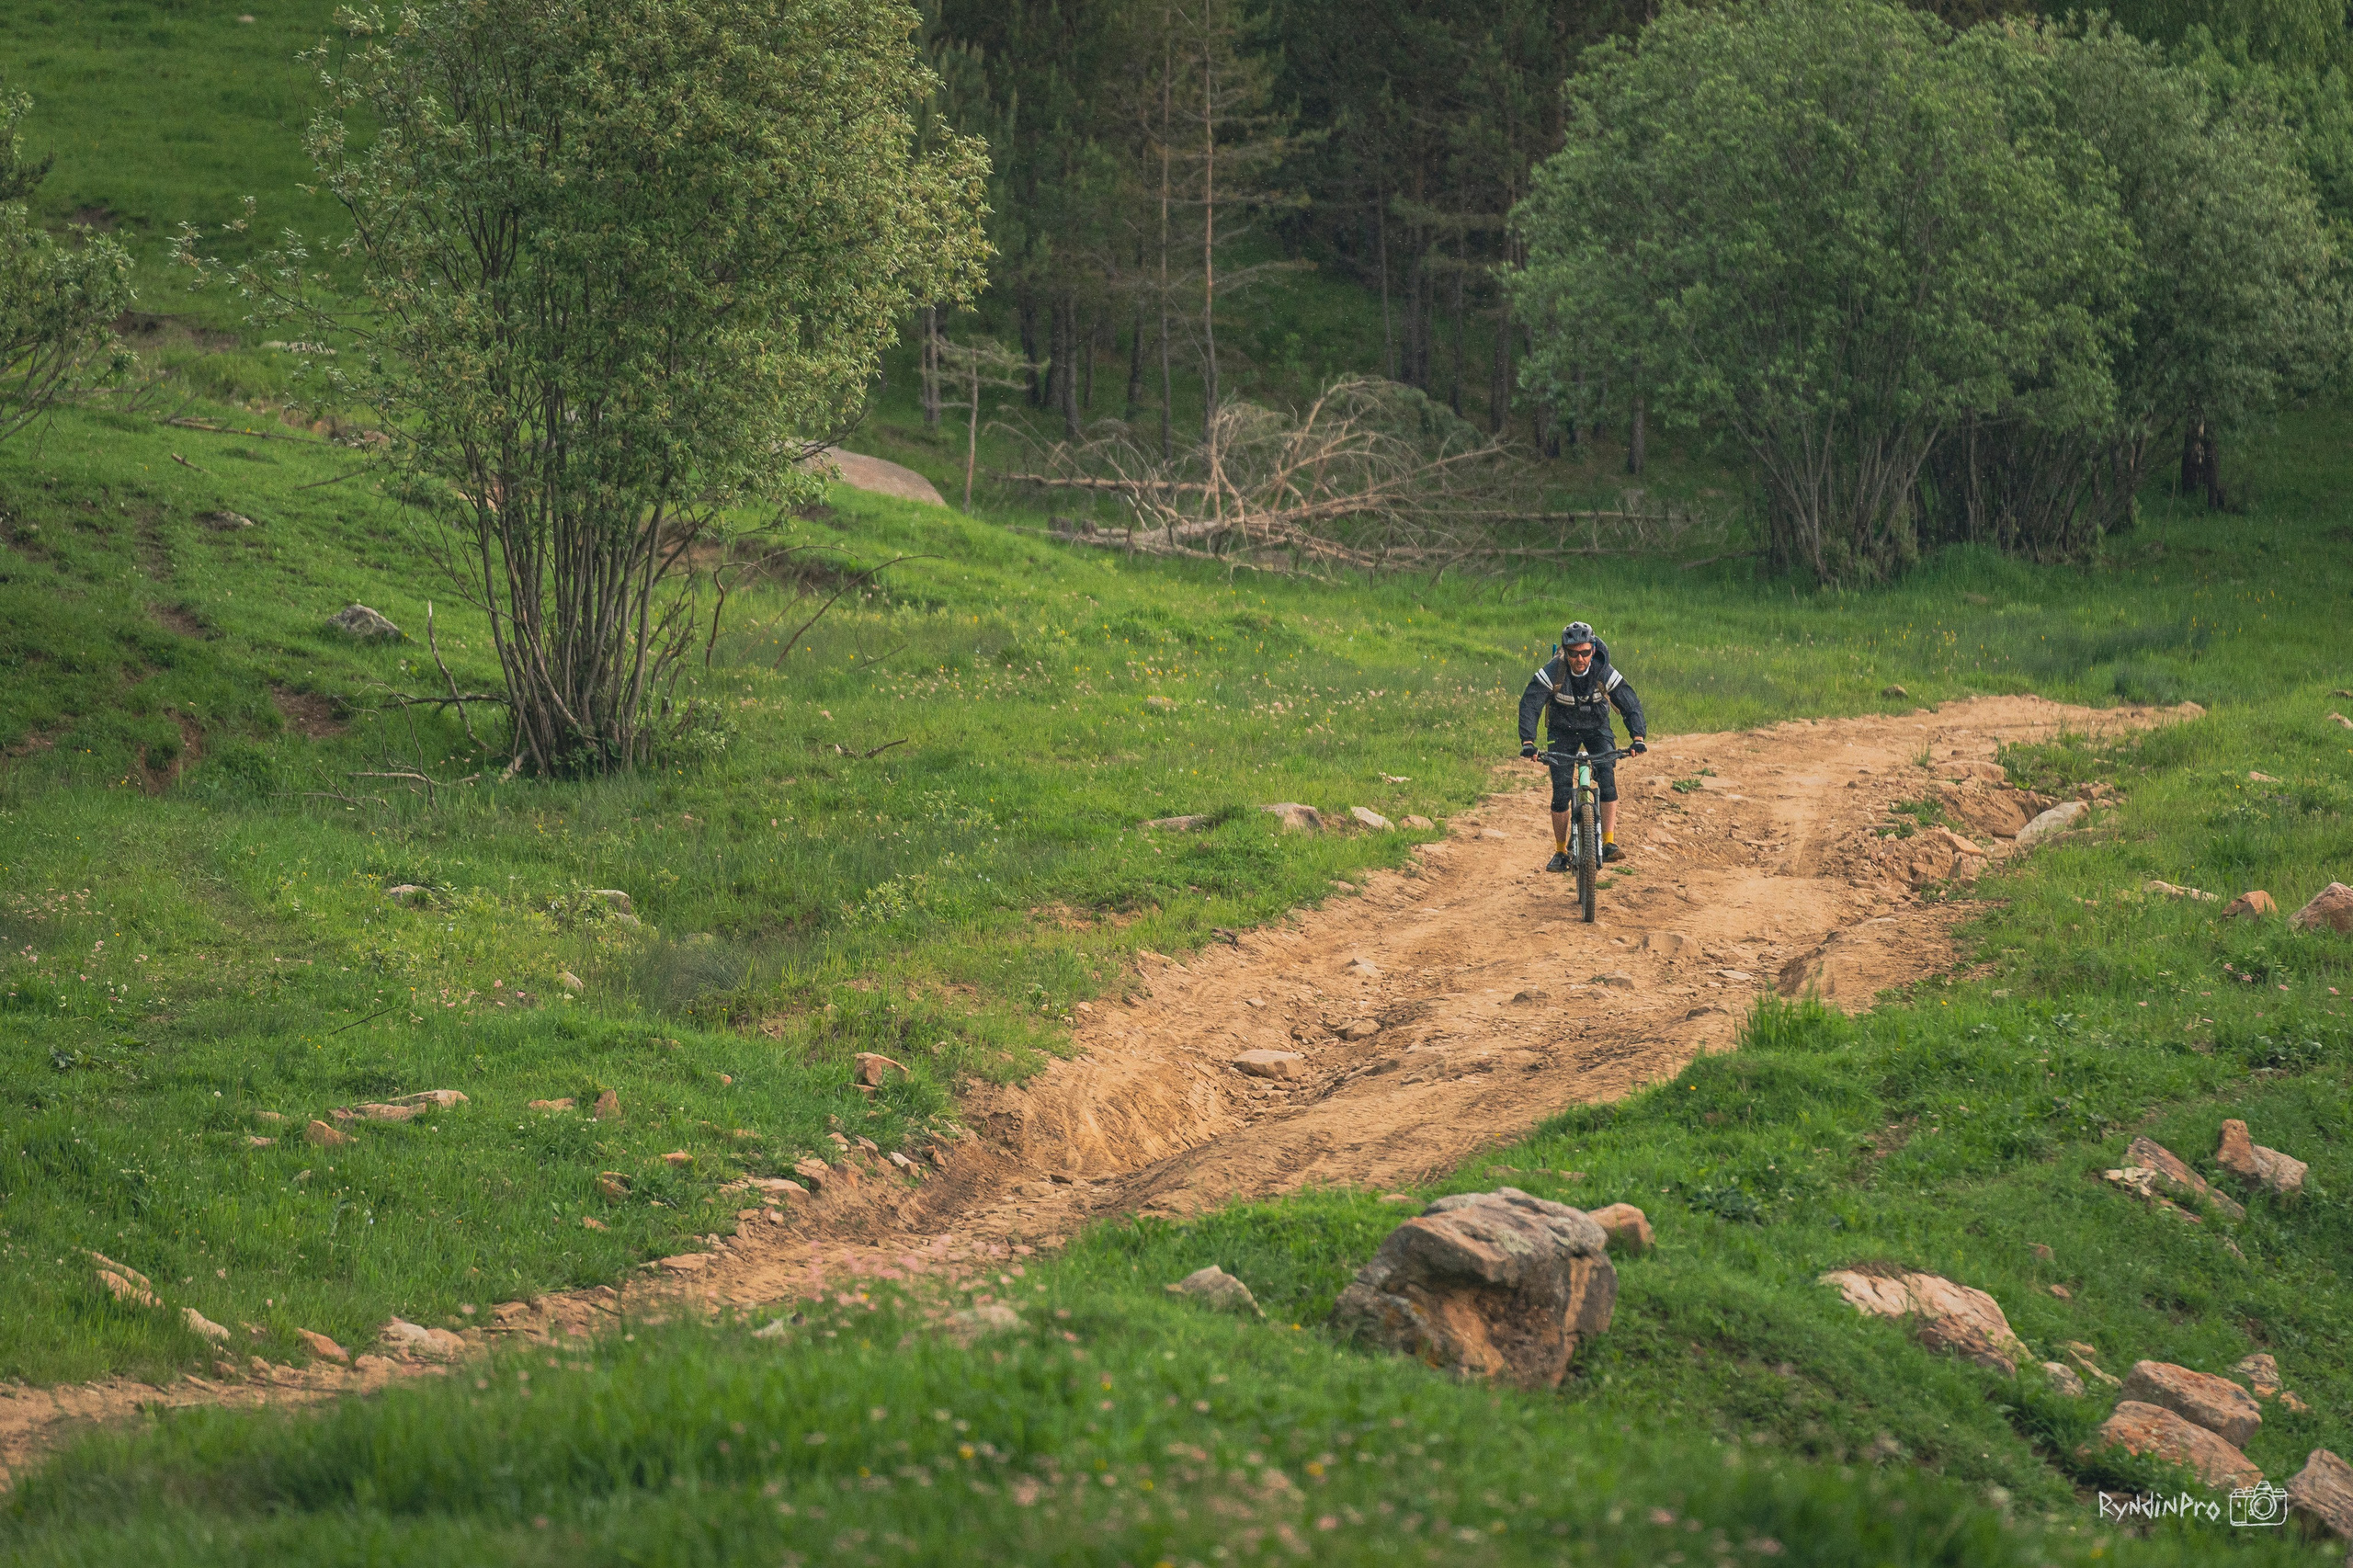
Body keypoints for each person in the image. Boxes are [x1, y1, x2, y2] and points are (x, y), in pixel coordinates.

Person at [1517, 620, 1646, 869]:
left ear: (1593, 650)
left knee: (1607, 778)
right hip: (1561, 729)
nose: (1580, 659)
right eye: (1574, 653)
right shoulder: (1554, 671)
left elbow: (1629, 702)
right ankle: (1560, 851)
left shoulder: (1603, 670)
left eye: (1585, 652)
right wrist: (1528, 741)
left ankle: (1608, 842)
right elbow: (1530, 704)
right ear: (1565, 652)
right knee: (1561, 792)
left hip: (1597, 726)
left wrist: (1638, 737)